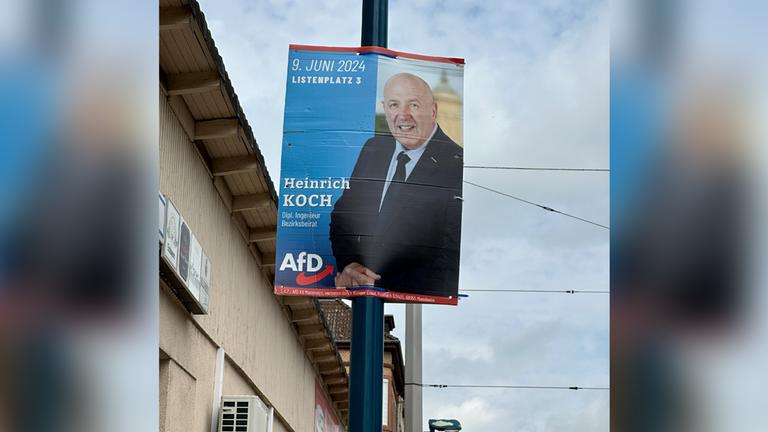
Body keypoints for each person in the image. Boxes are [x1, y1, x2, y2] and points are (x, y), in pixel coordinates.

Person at [329, 72, 463, 297]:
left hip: (410, 291)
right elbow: (343, 216)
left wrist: (379, 286)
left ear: (433, 110)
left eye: (414, 104)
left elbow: (447, 252)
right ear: (384, 107)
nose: (403, 115)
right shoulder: (374, 148)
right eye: (394, 104)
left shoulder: (455, 163)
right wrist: (350, 266)